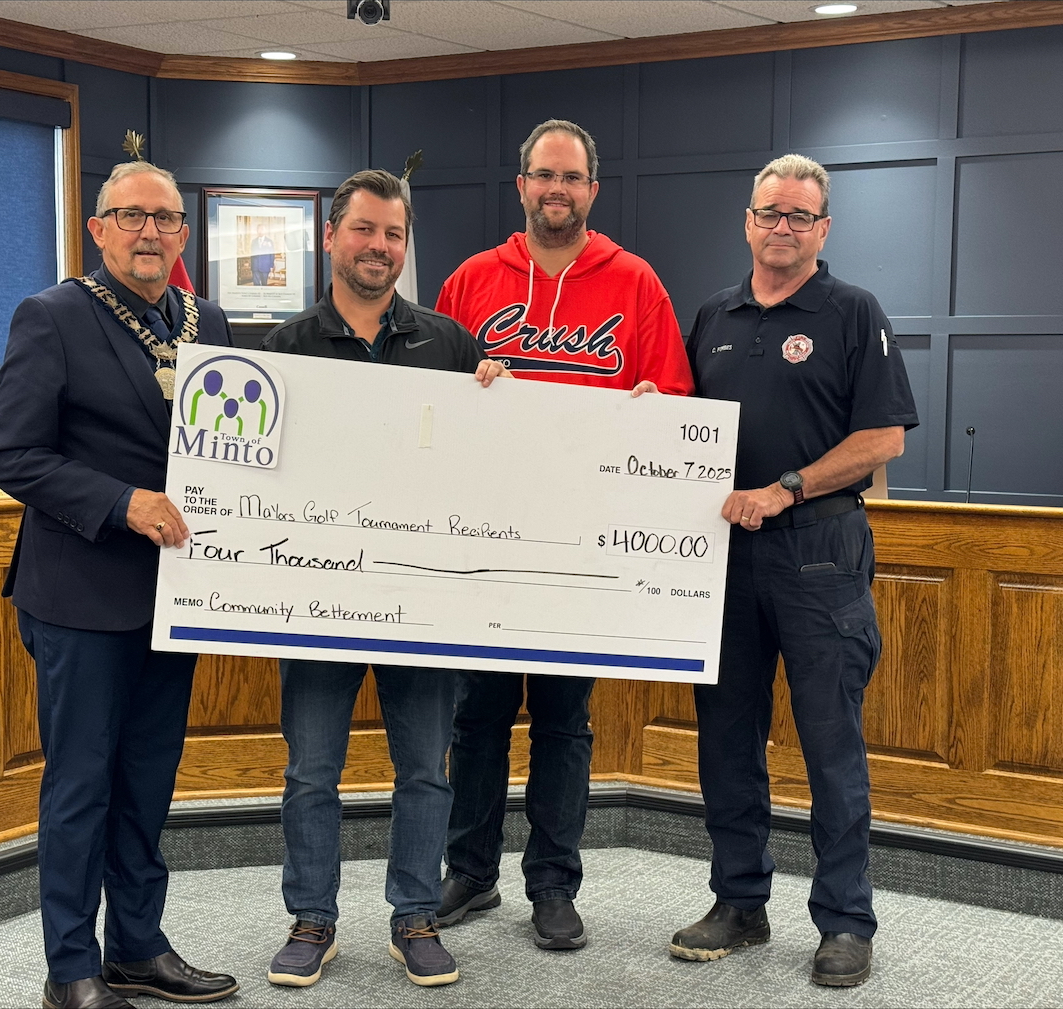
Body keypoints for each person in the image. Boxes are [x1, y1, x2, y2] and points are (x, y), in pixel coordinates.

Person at [433, 119, 694, 950]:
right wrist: (469, 386)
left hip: (584, 546)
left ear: (592, 189)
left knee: (563, 720)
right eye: (544, 175)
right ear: (522, 185)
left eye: (572, 177)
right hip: (483, 537)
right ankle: (469, 870)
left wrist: (655, 408)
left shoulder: (636, 282)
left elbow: (677, 400)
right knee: (476, 715)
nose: (557, 189)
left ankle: (552, 881)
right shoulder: (473, 280)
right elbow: (427, 400)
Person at [0, 161, 239, 1009]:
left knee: (147, 783)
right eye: (131, 215)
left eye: (165, 218)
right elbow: (12, 455)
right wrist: (121, 502)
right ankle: (70, 967)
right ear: (98, 229)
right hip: (80, 598)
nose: (149, 232)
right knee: (81, 785)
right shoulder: (52, 316)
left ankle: (136, 945)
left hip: (178, 597)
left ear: (183, 235)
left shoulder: (209, 320)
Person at [670, 154, 917, 987]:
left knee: (829, 743)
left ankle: (845, 918)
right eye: (770, 212)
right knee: (726, 737)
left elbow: (883, 438)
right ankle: (739, 900)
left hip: (820, 550)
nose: (783, 227)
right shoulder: (714, 314)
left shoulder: (853, 312)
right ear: (747, 221)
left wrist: (786, 488)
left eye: (799, 216)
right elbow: (680, 423)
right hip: (724, 557)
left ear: (823, 228)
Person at [259, 168, 509, 990]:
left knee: (426, 769)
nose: (379, 246)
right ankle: (312, 918)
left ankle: (415, 915)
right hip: (319, 599)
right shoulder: (281, 350)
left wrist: (503, 401)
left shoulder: (451, 343)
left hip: (422, 601)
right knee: (311, 771)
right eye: (364, 230)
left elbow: (492, 458)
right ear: (330, 236)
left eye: (394, 234)